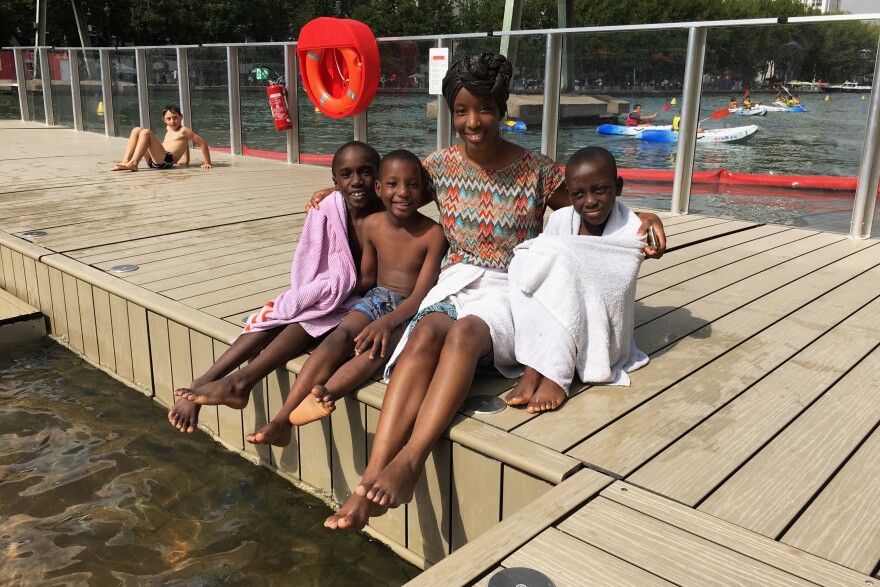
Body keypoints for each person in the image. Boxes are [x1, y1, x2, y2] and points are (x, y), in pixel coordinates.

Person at [316, 52, 667, 531]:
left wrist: (641, 218)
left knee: (462, 337)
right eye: (461, 111)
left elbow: (593, 201)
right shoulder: (436, 167)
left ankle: (411, 460)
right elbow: (384, 191)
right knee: (423, 336)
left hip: (511, 287)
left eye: (483, 108)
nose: (472, 121)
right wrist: (329, 199)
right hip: (456, 281)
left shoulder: (536, 171)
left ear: (502, 109)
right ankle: (371, 478)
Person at [168, 141, 384, 433]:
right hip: (334, 290)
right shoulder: (332, 208)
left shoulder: (387, 212)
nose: (356, 181)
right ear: (335, 180)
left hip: (364, 298)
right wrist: (327, 288)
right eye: (346, 175)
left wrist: (335, 289)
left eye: (366, 172)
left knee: (305, 319)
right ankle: (204, 381)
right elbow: (316, 257)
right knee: (282, 312)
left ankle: (240, 382)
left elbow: (370, 279)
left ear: (379, 176)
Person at [245, 150, 448, 445]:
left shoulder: (433, 234)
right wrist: (320, 297)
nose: (403, 193)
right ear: (379, 188)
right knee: (338, 338)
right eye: (392, 184)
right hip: (376, 298)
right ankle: (280, 421)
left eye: (413, 185)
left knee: (373, 350)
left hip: (409, 310)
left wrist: (386, 323)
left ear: (423, 190)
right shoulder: (373, 225)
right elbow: (365, 280)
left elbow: (420, 295)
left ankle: (326, 394)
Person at [504, 147, 649, 413]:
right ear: (568, 194)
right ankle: (534, 368)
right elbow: (541, 271)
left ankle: (555, 375)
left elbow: (617, 283)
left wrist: (569, 265)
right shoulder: (560, 219)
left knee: (560, 263)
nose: (590, 201)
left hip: (601, 323)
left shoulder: (632, 228)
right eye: (579, 194)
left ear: (618, 186)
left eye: (600, 189)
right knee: (531, 261)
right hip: (561, 311)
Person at [110, 105, 212, 172]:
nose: (173, 121)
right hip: (153, 160)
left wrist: (207, 162)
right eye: (169, 119)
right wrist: (186, 160)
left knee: (146, 132)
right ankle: (126, 161)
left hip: (166, 161)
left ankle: (133, 163)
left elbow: (203, 144)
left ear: (181, 117)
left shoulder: (184, 130)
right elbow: (184, 143)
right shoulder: (169, 128)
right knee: (136, 130)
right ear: (164, 120)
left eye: (175, 117)